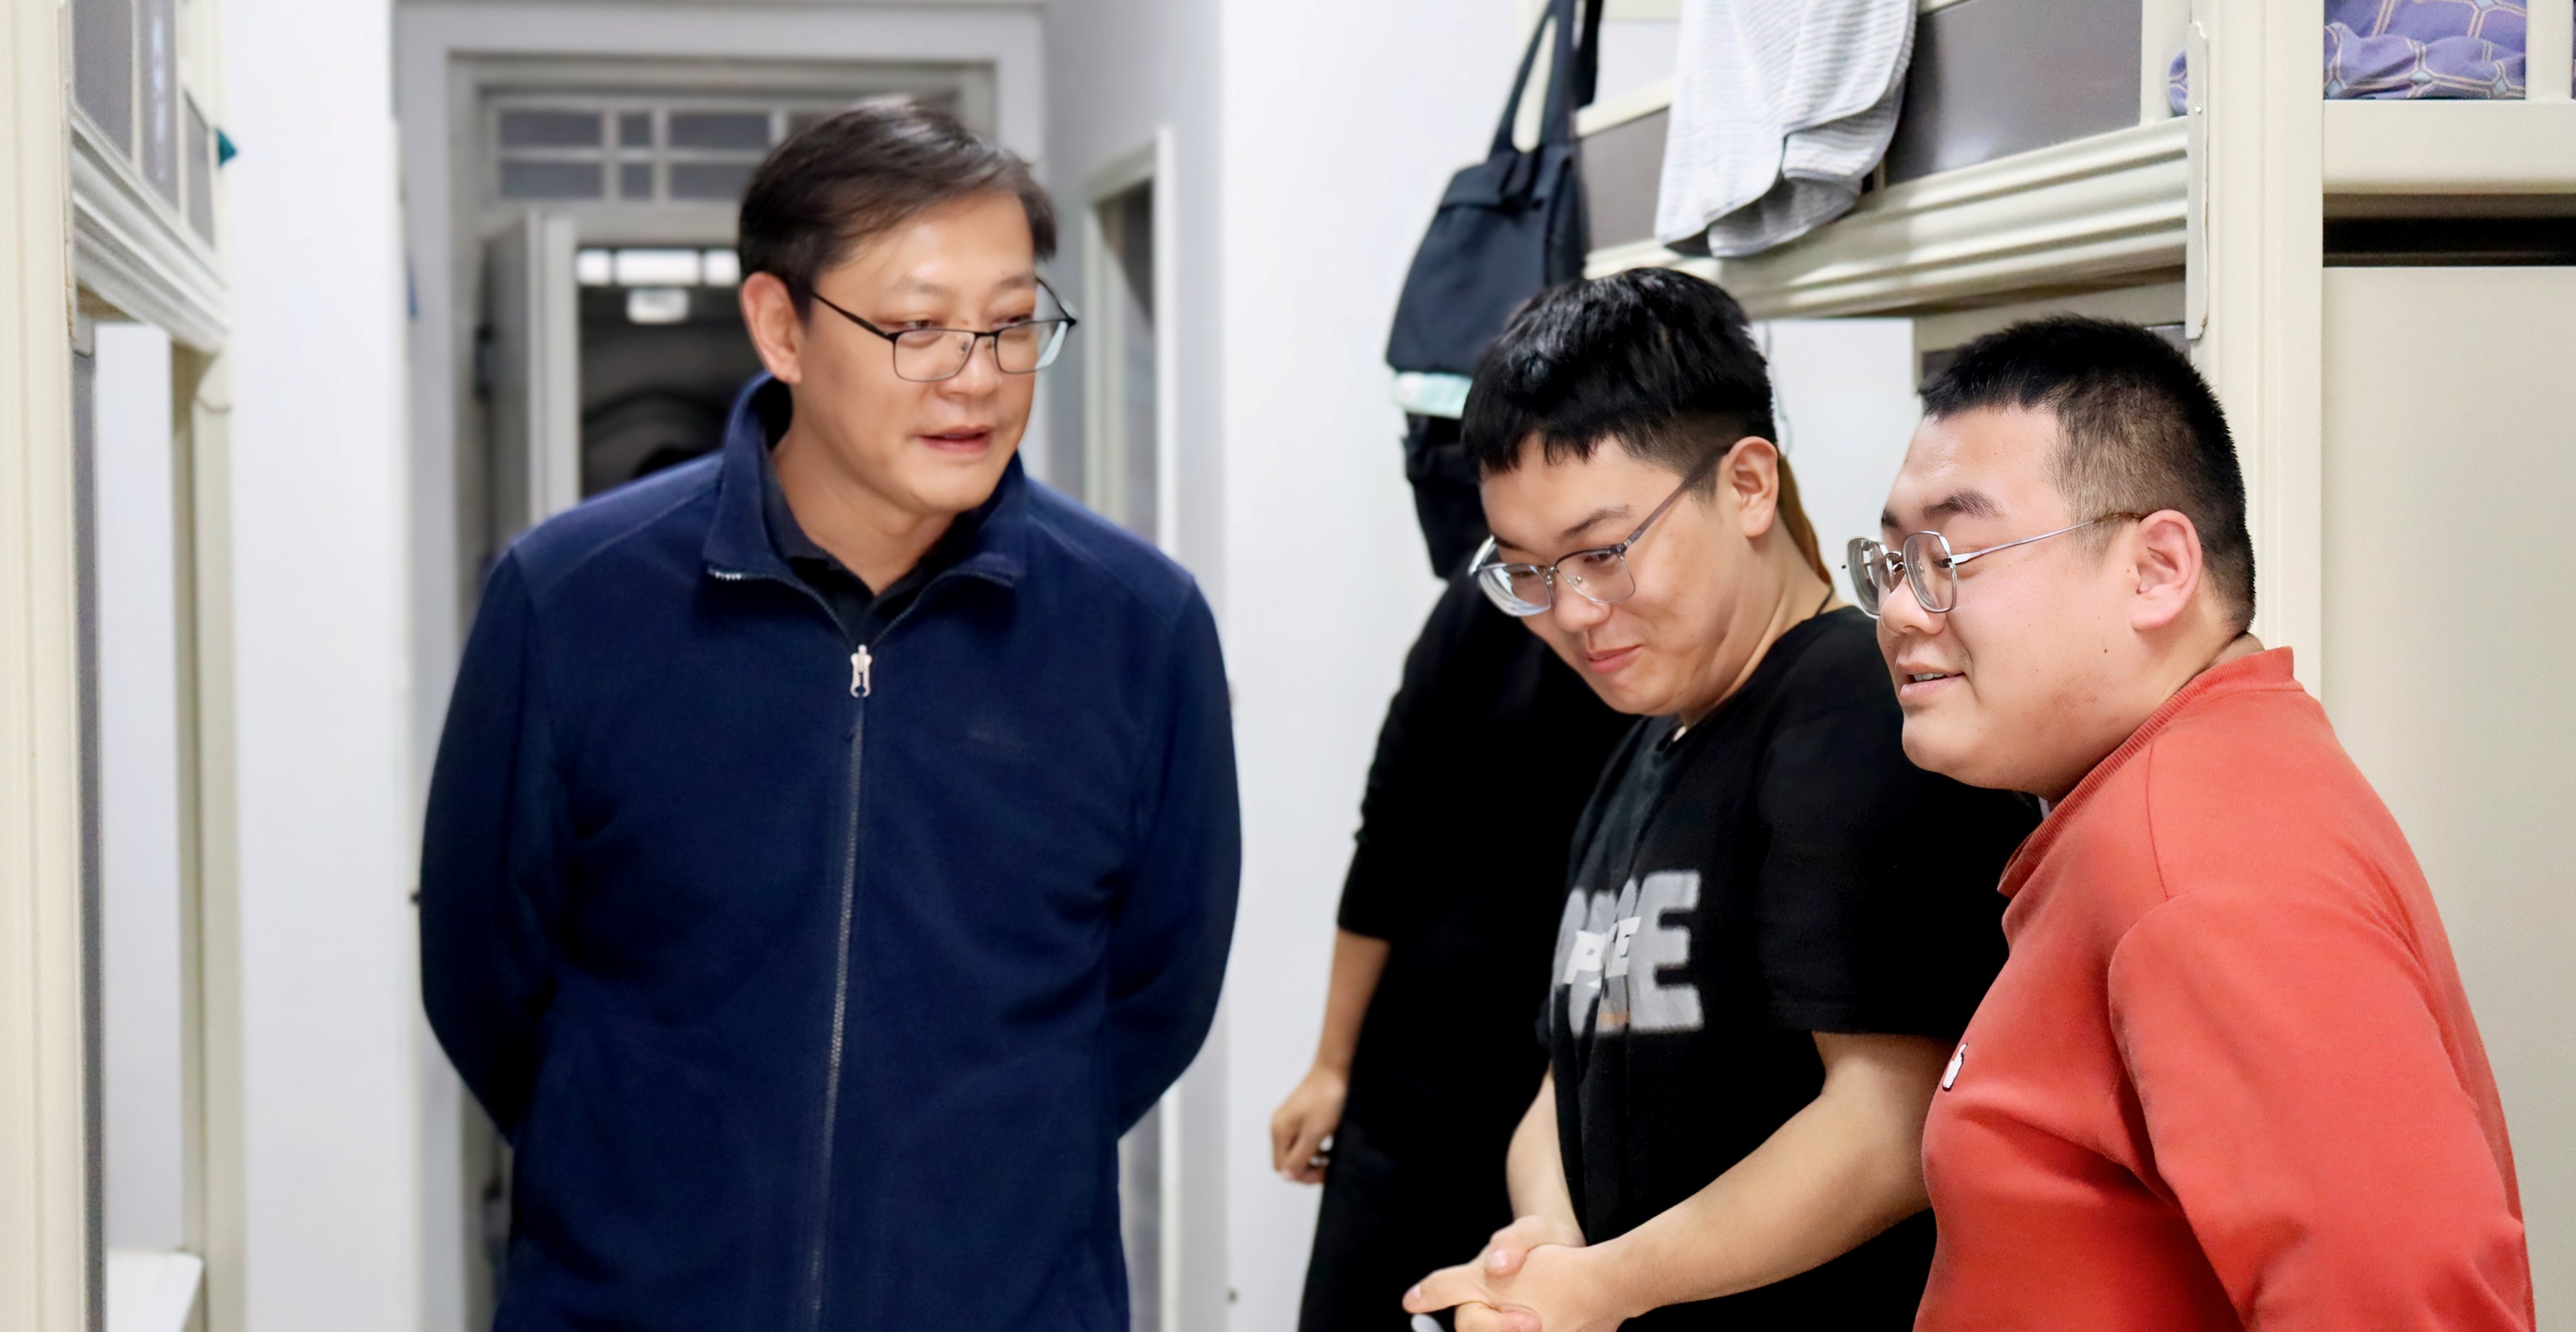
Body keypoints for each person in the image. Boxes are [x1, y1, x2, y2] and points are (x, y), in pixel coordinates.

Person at [419, 99, 1240, 1332]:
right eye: (916, 328)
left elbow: (1157, 994)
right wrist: (647, 1185)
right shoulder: (570, 600)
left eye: (1014, 322)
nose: (978, 376)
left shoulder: (1140, 628)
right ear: (780, 327)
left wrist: (962, 1195)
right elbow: (484, 978)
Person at [1855, 317, 2531, 1331]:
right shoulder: (2179, 793)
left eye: (1953, 553)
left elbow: (2405, 1299)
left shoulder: (2199, 860)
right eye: (1894, 560)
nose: (1903, 609)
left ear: (2158, 569)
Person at [1403, 269, 2037, 1332]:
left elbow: (1890, 1125)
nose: (1574, 612)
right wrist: (1543, 1242)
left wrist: (1604, 1285)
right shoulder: (1650, 740)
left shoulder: (1853, 716)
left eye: (1602, 553)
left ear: (1746, 485)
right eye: (1528, 573)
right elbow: (1571, 1073)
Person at [1272, 415, 1629, 1332]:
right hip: (1416, 1075)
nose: (1570, 608)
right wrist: (1331, 1064)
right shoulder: (1488, 605)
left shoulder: (1696, 663)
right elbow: (1389, 831)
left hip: (1572, 1104)